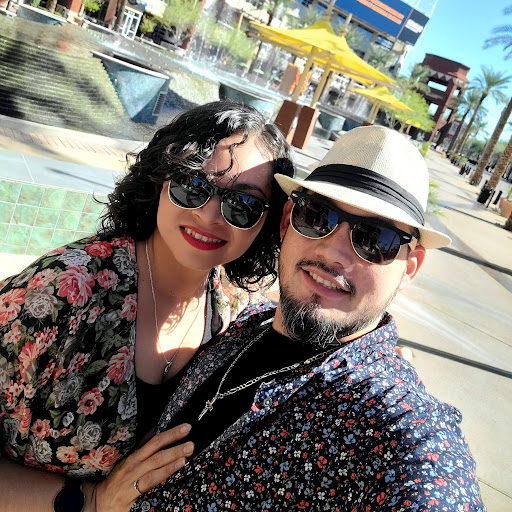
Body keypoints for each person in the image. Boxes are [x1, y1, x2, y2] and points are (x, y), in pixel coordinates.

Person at [131, 126, 485, 511]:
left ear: (410, 267)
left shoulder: (395, 423)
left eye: (375, 240)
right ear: (287, 221)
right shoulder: (246, 320)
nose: (332, 253)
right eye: (317, 216)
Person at [0, 101, 293, 511]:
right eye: (193, 184)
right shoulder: (61, 292)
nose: (210, 215)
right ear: (159, 179)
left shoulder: (233, 311)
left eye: (243, 204)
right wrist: (93, 501)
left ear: (267, 223)